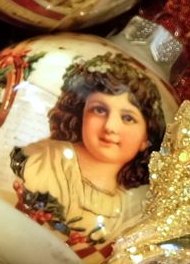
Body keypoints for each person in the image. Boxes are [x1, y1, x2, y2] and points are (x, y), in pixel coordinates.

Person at [10, 54, 165, 248]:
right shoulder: (45, 160)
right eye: (100, 110)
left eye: (128, 118)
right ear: (81, 114)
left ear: (146, 139)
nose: (110, 127)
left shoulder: (129, 210)